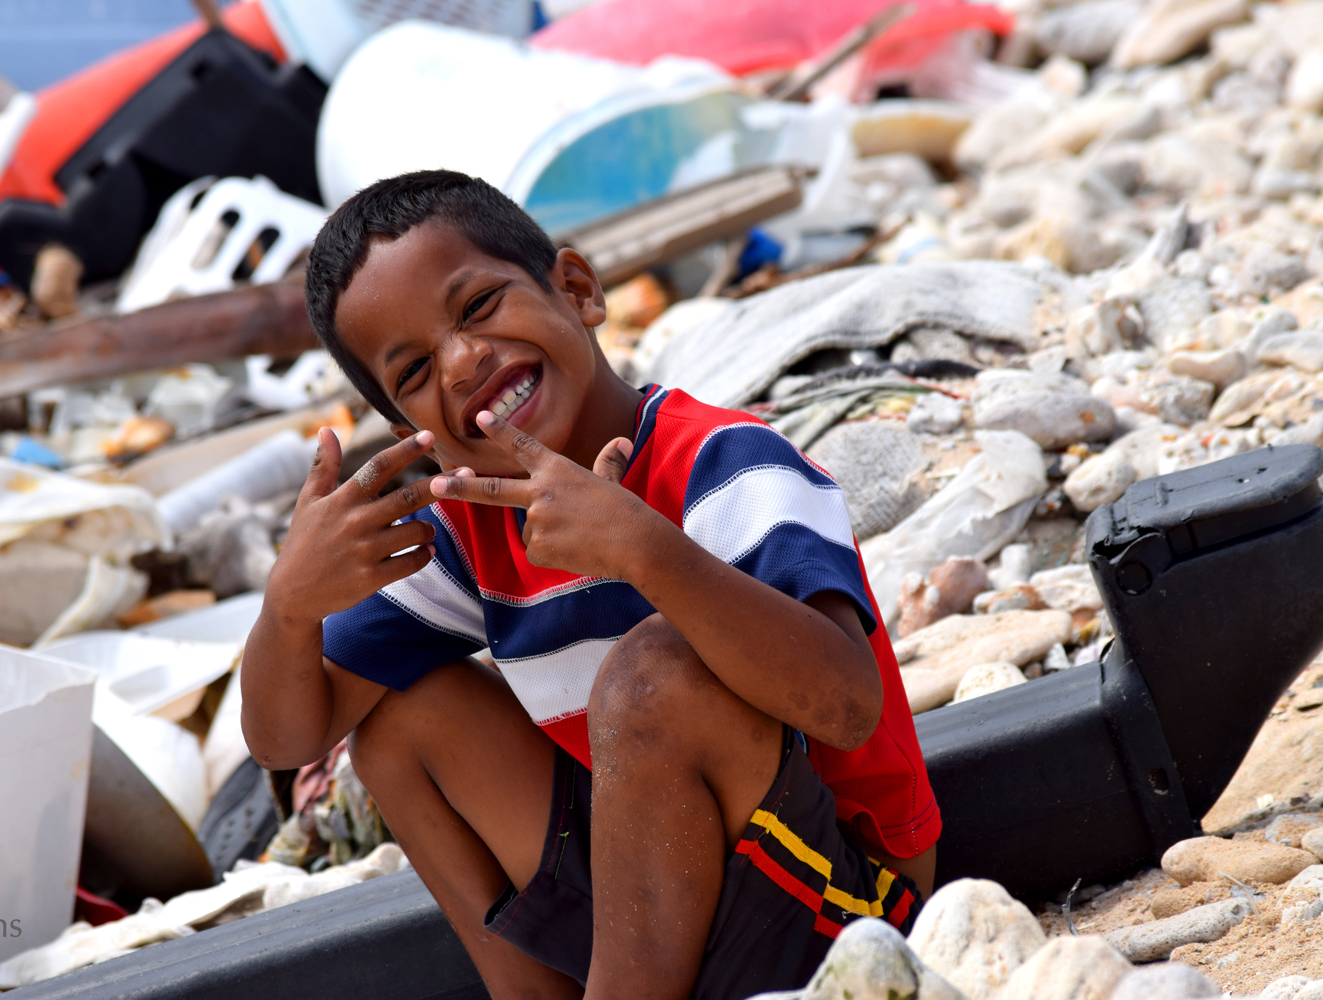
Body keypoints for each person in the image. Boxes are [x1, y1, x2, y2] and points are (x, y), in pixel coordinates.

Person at [242, 170, 940, 1000]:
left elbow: (845, 706)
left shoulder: (723, 464)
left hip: (838, 898)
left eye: (477, 308)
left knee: (654, 676)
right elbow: (288, 739)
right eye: (416, 370)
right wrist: (288, 607)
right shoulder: (471, 533)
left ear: (577, 290)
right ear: (416, 437)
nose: (463, 363)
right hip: (652, 900)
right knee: (396, 720)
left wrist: (650, 554)